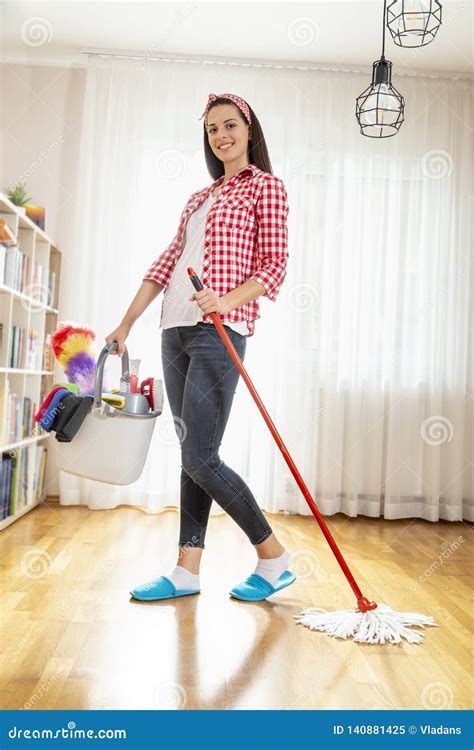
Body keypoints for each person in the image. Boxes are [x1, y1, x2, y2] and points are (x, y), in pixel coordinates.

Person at [106, 92, 296, 602]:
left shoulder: (266, 188)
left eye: (229, 125)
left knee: (201, 457)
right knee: (192, 455)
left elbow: (274, 266)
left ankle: (274, 557)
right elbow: (165, 263)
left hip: (221, 329)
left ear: (249, 130)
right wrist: (125, 325)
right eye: (212, 130)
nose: (221, 136)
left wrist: (225, 298)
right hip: (176, 329)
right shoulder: (198, 198)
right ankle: (186, 571)